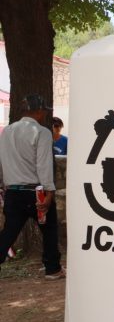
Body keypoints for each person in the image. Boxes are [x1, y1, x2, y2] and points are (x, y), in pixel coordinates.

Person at [0, 94, 63, 280]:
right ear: (38, 111)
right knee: (50, 228)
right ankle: (52, 269)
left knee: (9, 231)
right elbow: (43, 165)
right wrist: (49, 192)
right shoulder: (42, 132)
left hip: (13, 191)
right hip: (36, 192)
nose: (45, 114)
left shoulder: (7, 131)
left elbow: (4, 161)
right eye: (44, 110)